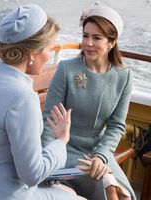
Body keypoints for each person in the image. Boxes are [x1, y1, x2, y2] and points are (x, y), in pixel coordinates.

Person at [0, 4, 86, 200]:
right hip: (0, 194)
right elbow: (32, 174)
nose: (50, 56)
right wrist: (61, 140)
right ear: (33, 52)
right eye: (50, 48)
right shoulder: (22, 97)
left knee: (69, 192)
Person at [41, 5, 137, 200]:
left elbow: (116, 126)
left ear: (112, 43)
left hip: (98, 150)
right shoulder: (66, 69)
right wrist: (44, 162)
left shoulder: (124, 77)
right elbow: (50, 119)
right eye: (85, 35)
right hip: (65, 148)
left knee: (123, 194)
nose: (88, 43)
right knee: (109, 187)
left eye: (97, 37)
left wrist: (101, 156)